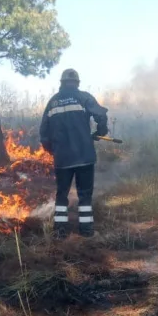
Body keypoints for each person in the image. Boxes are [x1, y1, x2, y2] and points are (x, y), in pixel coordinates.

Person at [40, 69, 108, 237]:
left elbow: (44, 134)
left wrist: (54, 151)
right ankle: (86, 230)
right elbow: (101, 115)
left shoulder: (52, 102)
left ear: (61, 83)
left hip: (62, 159)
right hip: (85, 156)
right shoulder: (84, 97)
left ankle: (60, 231)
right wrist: (100, 132)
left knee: (61, 193)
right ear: (77, 83)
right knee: (85, 194)